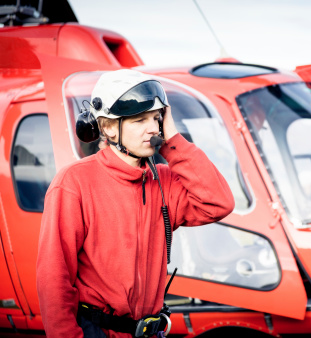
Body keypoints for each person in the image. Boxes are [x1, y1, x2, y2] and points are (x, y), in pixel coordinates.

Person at [36, 69, 235, 337]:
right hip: (96, 331)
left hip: (150, 331)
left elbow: (219, 203)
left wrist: (172, 140)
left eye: (156, 118)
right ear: (107, 127)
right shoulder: (74, 183)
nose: (153, 128)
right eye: (139, 120)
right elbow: (54, 277)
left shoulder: (164, 181)